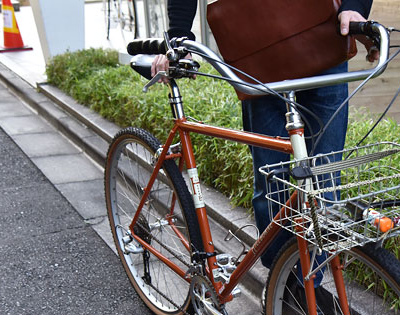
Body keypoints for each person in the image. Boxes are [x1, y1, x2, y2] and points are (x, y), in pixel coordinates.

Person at [154, 0, 375, 271]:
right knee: (274, 181)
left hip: (322, 40)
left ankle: (310, 282)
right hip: (258, 52)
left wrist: (355, 7)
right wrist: (179, 37)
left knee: (325, 176)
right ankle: (282, 281)